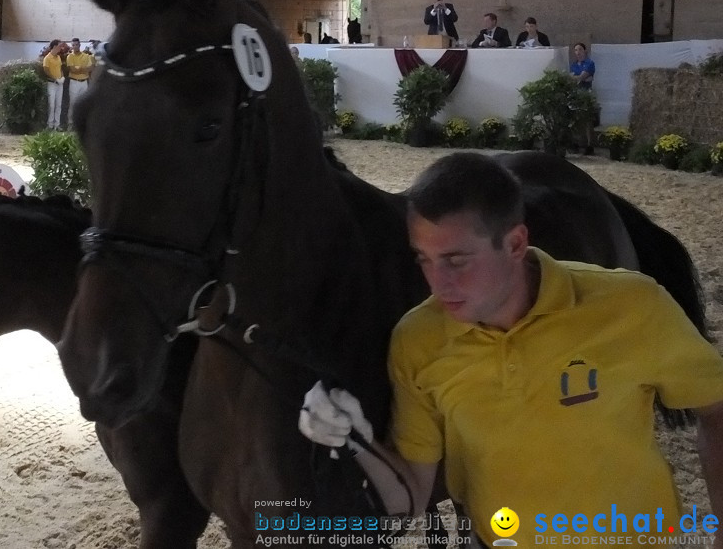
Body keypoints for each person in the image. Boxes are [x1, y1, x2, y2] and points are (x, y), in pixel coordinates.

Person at [298, 152, 723, 539]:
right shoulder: (417, 340)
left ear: (516, 243)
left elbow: (716, 409)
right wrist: (354, 440)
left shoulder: (631, 305)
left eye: (456, 260)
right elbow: (408, 502)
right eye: (423, 259)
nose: (437, 284)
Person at [570, 42, 597, 155]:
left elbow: (582, 77)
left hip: (586, 94)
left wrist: (578, 78)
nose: (578, 52)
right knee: (577, 120)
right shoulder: (574, 64)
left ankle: (590, 145)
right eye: (576, 50)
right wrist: (579, 78)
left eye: (580, 49)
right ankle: (578, 143)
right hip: (576, 94)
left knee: (587, 121)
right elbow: (573, 79)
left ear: (585, 51)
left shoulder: (589, 63)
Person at [66, 38, 93, 127]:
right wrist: (82, 68)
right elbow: (73, 70)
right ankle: (70, 124)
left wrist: (79, 68)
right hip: (74, 82)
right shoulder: (70, 56)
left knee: (84, 103)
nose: (75, 47)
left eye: (76, 45)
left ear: (79, 45)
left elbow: (89, 69)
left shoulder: (86, 56)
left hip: (84, 82)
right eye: (73, 45)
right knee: (73, 103)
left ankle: (82, 124)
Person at [42, 39, 67, 131]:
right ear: (54, 46)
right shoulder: (47, 58)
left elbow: (60, 68)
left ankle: (57, 124)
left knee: (58, 105)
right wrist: (55, 79)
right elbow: (46, 71)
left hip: (59, 83)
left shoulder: (58, 57)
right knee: (51, 104)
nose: (61, 48)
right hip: (52, 83)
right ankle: (50, 124)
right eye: (59, 46)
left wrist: (62, 77)